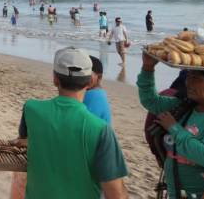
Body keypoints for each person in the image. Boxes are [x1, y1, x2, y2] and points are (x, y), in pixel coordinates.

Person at [17, 47, 128, 198]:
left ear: (55, 79)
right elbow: (116, 194)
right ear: (89, 81)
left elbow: (22, 142)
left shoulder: (31, 109)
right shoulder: (101, 130)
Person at [138, 53, 204, 198]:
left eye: (196, 78)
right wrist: (148, 68)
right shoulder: (185, 105)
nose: (188, 82)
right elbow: (151, 101)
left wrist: (174, 128)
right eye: (189, 76)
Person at [84, 56, 112, 124]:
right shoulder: (99, 93)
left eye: (87, 74)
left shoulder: (93, 95)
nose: (83, 77)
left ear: (99, 77)